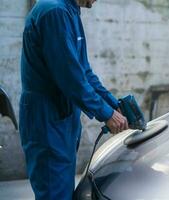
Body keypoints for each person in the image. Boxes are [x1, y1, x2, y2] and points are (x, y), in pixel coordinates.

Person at [19, 0, 128, 199]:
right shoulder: (54, 12)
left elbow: (84, 71)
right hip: (47, 115)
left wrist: (113, 105)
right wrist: (105, 113)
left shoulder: (70, 11)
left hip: (62, 114)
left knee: (62, 186)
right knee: (54, 191)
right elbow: (70, 77)